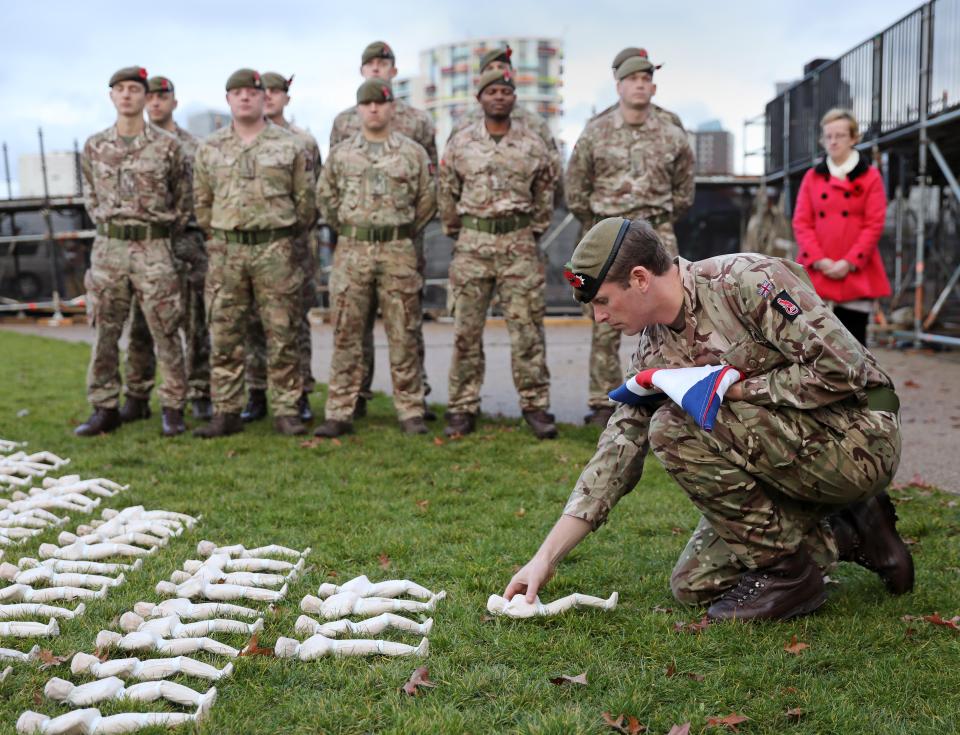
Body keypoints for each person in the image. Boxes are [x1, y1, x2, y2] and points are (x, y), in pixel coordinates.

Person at [504, 217, 912, 621]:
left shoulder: (747, 281)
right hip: (792, 456)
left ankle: (787, 574)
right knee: (696, 583)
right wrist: (545, 558)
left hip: (859, 437)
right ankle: (853, 529)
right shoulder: (653, 349)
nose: (600, 318)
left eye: (603, 302)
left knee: (672, 426)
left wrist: (733, 390)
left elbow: (845, 370)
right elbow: (617, 451)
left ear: (641, 278)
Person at [566, 50, 695, 428]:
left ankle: (664, 394)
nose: (640, 84)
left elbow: (684, 191)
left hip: (657, 234)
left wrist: (657, 225)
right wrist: (599, 230)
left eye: (645, 79)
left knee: (669, 313)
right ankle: (602, 399)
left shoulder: (672, 130)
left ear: (652, 86)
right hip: (607, 239)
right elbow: (575, 190)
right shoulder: (596, 130)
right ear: (619, 84)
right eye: (632, 79)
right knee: (604, 314)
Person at [192, 69, 316, 438]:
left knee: (283, 332)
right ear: (228, 100)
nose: (245, 98)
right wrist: (220, 233)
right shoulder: (210, 147)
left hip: (275, 249)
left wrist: (282, 235)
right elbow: (201, 202)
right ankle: (226, 410)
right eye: (237, 93)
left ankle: (287, 409)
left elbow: (306, 202)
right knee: (226, 334)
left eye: (252, 92)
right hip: (227, 250)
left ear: (265, 98)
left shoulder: (291, 145)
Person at [313, 79, 436, 438]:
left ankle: (411, 410)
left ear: (391, 108)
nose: (373, 109)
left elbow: (428, 199)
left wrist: (400, 229)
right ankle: (339, 411)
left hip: (398, 249)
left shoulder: (412, 153)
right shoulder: (342, 154)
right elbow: (326, 199)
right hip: (352, 249)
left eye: (380, 103)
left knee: (404, 331)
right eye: (366, 104)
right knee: (347, 333)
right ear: (358, 109)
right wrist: (354, 228)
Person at [439, 69, 556, 440]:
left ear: (514, 98)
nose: (500, 96)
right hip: (473, 245)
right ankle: (462, 407)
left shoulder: (532, 144)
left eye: (506, 91)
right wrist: (461, 230)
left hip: (519, 245)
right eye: (492, 91)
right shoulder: (461, 143)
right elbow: (447, 193)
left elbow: (546, 193)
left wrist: (529, 230)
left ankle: (535, 406)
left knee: (527, 331)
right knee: (465, 332)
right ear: (480, 98)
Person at [76, 66, 190, 438]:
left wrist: (155, 229)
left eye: (134, 89)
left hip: (154, 245)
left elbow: (183, 199)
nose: (127, 95)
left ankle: (173, 406)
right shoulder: (95, 146)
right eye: (120, 89)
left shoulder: (168, 147)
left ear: (145, 97)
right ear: (111, 96)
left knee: (166, 328)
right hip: (109, 247)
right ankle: (104, 406)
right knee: (105, 330)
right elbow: (90, 195)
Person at [121, 75, 212, 424]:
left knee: (194, 321)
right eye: (152, 97)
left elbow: (203, 195)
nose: (156, 103)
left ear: (175, 101)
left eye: (163, 97)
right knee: (143, 323)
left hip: (187, 242)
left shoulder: (195, 146)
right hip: (147, 245)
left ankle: (200, 391)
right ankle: (138, 392)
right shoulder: (131, 144)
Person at [241, 71, 322, 424]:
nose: (270, 96)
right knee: (252, 323)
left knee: (293, 325)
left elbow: (311, 197)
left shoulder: (303, 142)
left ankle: (300, 391)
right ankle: (256, 392)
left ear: (287, 98)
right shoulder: (243, 138)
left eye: (277, 91)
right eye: (265, 91)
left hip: (294, 247)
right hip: (252, 247)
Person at [793, 108, 890, 345]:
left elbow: (874, 223)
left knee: (854, 344)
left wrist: (850, 262)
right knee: (813, 342)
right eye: (828, 136)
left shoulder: (871, 177)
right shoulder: (811, 177)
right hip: (818, 270)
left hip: (856, 271)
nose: (833, 141)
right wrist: (818, 258)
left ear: (854, 138)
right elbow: (801, 222)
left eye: (840, 135)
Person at [449, 44, 563, 200]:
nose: (496, 72)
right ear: (481, 77)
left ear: (512, 73)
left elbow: (552, 175)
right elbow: (449, 179)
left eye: (501, 67)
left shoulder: (536, 124)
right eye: (490, 69)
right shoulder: (463, 125)